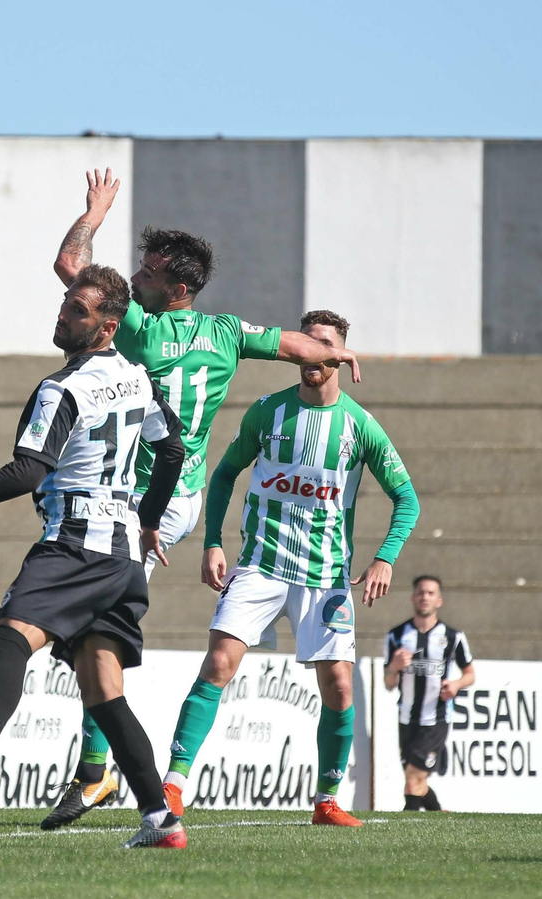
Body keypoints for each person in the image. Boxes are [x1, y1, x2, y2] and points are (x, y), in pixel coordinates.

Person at [0, 169, 363, 830]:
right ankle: (42, 649)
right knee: (92, 625)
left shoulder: (139, 330)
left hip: (142, 502)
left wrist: (92, 215)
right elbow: (292, 345)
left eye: (145, 274)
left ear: (174, 288)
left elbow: (69, 263)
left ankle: (92, 765)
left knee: (95, 630)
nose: (134, 279)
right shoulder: (228, 330)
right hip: (174, 493)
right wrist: (336, 351)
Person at [0, 264, 191, 849]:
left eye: (77, 310)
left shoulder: (62, 389)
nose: (62, 315)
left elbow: (28, 471)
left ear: (107, 327)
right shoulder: (137, 376)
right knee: (104, 691)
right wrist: (149, 519)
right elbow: (173, 449)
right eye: (64, 304)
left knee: (10, 638)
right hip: (123, 553)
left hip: (74, 542)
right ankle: (160, 820)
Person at [163, 310, 420, 827]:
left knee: (341, 687)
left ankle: (327, 800)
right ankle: (172, 786)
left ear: (342, 358)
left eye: (326, 345)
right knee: (218, 664)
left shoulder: (359, 426)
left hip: (325, 576)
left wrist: (384, 558)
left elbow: (407, 500)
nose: (314, 354)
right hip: (260, 564)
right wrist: (212, 542)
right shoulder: (267, 413)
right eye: (308, 344)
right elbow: (224, 475)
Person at [384, 574, 476, 812]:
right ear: (413, 598)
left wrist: (456, 685)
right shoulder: (396, 635)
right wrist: (394, 667)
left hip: (436, 718)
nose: (425, 597)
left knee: (413, 778)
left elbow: (470, 674)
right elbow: (388, 682)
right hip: (406, 717)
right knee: (416, 781)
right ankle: (439, 815)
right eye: (421, 592)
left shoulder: (453, 637)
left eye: (430, 593)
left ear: (439, 600)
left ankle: (406, 829)